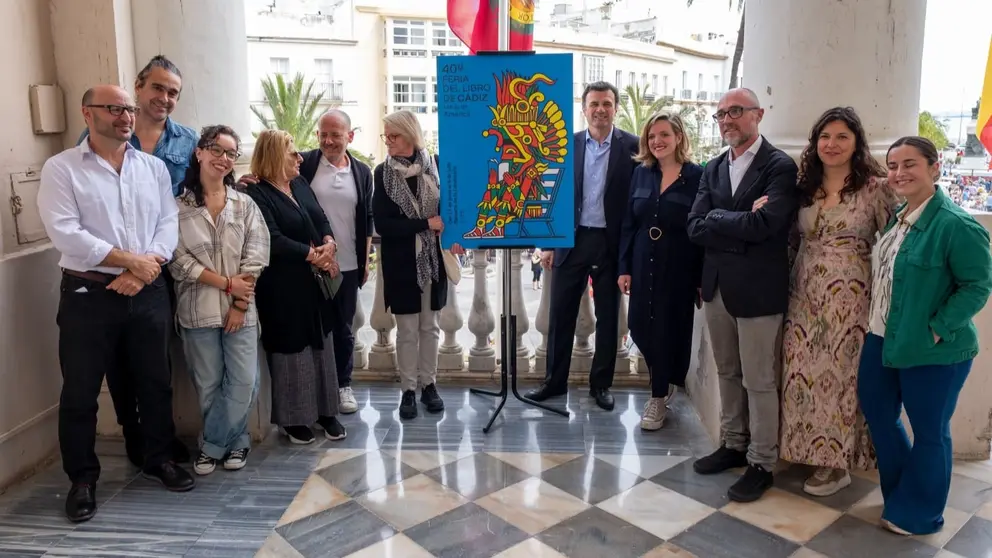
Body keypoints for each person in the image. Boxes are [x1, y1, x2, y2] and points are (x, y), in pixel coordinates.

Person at [38, 85, 195, 523]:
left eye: (128, 108)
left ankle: (158, 458)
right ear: (88, 113)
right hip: (89, 295)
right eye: (115, 108)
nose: (126, 116)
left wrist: (144, 268)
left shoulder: (152, 168)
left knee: (155, 381)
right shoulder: (61, 169)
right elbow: (67, 233)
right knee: (81, 392)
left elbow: (167, 223)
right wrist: (130, 262)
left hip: (147, 292)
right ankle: (83, 480)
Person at [858, 136, 992, 536]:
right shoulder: (899, 217)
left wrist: (937, 329)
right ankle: (902, 495)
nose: (900, 173)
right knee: (880, 416)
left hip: (936, 350)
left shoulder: (956, 224)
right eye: (894, 165)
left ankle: (920, 514)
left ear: (935, 167)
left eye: (910, 164)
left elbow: (978, 285)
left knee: (930, 431)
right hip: (882, 337)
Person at [77, 55, 197, 467]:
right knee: (118, 366)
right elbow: (89, 209)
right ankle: (134, 439)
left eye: (173, 92)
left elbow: (193, 196)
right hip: (110, 273)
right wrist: (128, 265)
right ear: (140, 87)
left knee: (157, 363)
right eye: (158, 88)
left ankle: (158, 442)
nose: (164, 98)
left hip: (162, 265)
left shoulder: (186, 140)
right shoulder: (94, 137)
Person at [686, 88, 799, 503]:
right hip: (716, 287)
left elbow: (767, 225)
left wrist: (721, 221)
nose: (727, 120)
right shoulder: (713, 167)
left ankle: (761, 462)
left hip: (757, 292)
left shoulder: (779, 166)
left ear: (758, 114)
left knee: (760, 380)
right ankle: (733, 445)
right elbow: (694, 226)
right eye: (720, 114)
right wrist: (733, 219)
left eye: (736, 111)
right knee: (728, 372)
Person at [779, 107, 898, 496]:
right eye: (825, 137)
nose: (832, 144)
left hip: (850, 298)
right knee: (801, 370)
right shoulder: (804, 185)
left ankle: (836, 464)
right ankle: (804, 450)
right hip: (803, 293)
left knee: (841, 376)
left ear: (856, 143)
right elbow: (792, 238)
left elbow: (899, 238)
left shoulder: (876, 187)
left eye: (842, 136)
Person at [525, 81, 639, 411]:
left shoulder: (632, 147)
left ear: (615, 108)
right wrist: (547, 244)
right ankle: (553, 382)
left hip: (610, 243)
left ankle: (600, 385)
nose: (600, 109)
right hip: (569, 240)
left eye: (606, 103)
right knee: (560, 315)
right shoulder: (566, 145)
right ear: (584, 109)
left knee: (608, 317)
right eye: (594, 104)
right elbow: (552, 193)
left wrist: (628, 256)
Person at [170, 126, 270, 475]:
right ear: (199, 152)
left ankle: (210, 447)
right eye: (216, 149)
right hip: (196, 310)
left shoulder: (245, 204)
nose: (224, 158)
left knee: (244, 381)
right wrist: (226, 283)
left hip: (241, 310)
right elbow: (177, 260)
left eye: (231, 153)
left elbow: (257, 254)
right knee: (209, 384)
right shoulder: (177, 208)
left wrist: (240, 304)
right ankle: (237, 443)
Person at [244, 130, 346, 445]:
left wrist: (329, 242)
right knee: (292, 350)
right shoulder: (257, 193)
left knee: (322, 344)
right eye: (293, 153)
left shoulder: (300, 184)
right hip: (283, 287)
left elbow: (321, 219)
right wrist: (310, 254)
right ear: (275, 155)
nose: (300, 158)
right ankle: (293, 420)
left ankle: (326, 412)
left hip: (315, 285)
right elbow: (270, 237)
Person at [373, 110, 463, 419]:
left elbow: (452, 212)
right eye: (386, 136)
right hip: (401, 264)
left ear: (410, 135)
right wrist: (424, 223)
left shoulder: (435, 166)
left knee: (431, 327)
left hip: (433, 261)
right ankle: (408, 390)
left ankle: (429, 385)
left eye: (393, 136)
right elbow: (383, 225)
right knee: (407, 330)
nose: (388, 142)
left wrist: (451, 233)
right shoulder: (381, 173)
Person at [617, 112, 704, 431]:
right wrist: (623, 267)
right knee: (638, 325)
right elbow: (629, 222)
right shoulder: (641, 173)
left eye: (664, 135)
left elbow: (701, 228)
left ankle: (657, 397)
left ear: (679, 137)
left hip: (679, 261)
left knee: (670, 327)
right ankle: (664, 380)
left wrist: (699, 277)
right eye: (652, 136)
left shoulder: (697, 176)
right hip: (642, 259)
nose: (657, 141)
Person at [301, 110, 374, 415]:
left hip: (346, 265)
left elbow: (367, 218)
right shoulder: (304, 164)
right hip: (310, 263)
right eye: (323, 134)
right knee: (313, 327)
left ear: (350, 136)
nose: (328, 141)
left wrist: (366, 259)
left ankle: (343, 385)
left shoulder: (362, 172)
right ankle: (315, 389)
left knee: (344, 329)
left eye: (335, 134)